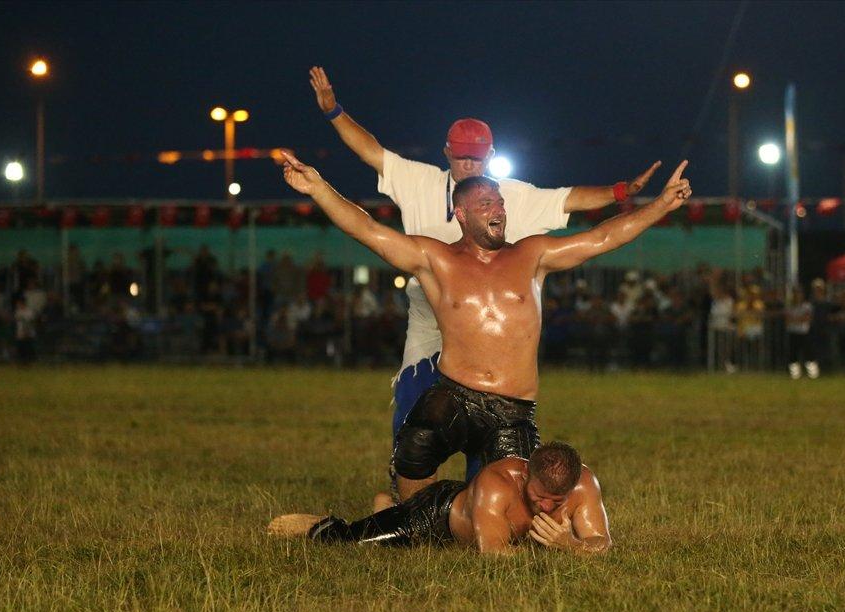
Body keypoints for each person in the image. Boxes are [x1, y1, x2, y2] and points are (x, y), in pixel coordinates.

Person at [308, 65, 661, 486]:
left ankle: (484, 489)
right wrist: (333, 112)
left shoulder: (510, 196)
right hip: (430, 314)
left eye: (478, 155)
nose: (469, 163)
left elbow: (570, 202)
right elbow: (369, 154)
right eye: (461, 155)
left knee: (493, 424)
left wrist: (621, 192)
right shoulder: (417, 180)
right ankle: (408, 493)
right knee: (412, 409)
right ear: (446, 153)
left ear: (492, 156)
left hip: (493, 328)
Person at [281, 151, 691, 502]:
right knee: (414, 449)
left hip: (512, 406)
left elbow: (603, 238)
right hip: (454, 394)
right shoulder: (435, 260)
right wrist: (319, 188)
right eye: (486, 204)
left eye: (499, 202)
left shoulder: (532, 255)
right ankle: (408, 512)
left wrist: (660, 205)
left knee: (508, 506)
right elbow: (367, 229)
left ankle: (454, 510)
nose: (498, 209)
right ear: (460, 214)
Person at [267, 441, 610, 556]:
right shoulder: (498, 482)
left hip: (462, 521)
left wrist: (573, 546)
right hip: (435, 515)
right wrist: (564, 548)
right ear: (526, 476)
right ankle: (320, 525)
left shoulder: (584, 485)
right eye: (540, 497)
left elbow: (602, 542)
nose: (547, 507)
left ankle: (386, 507)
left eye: (556, 501)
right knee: (354, 542)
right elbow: (493, 553)